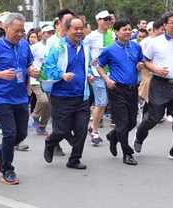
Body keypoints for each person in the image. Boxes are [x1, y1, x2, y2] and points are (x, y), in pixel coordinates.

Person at [0, 13, 39, 185]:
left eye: (22, 31)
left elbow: (27, 65)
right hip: (1, 97)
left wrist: (31, 71)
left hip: (20, 96)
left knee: (22, 133)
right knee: (10, 133)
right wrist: (0, 74)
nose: (20, 34)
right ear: (6, 27)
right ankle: (7, 169)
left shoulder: (24, 45)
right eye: (17, 31)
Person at [134, 12, 173, 161]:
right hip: (160, 84)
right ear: (165, 25)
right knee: (154, 117)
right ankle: (140, 135)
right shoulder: (155, 42)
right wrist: (156, 70)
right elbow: (145, 61)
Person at [43, 17, 94, 170]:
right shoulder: (58, 48)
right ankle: (50, 142)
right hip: (62, 97)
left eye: (81, 28)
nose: (79, 32)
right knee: (62, 130)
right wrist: (62, 75)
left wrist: (90, 74)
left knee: (81, 130)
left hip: (82, 97)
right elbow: (47, 69)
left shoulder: (85, 48)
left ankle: (74, 159)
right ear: (67, 30)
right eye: (75, 29)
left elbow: (88, 67)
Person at [96, 19, 144, 165]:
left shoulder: (136, 47)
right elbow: (98, 66)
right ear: (116, 32)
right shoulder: (110, 49)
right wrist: (106, 79)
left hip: (132, 89)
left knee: (131, 122)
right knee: (122, 123)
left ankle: (113, 135)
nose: (128, 32)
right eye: (124, 29)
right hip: (117, 89)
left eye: (129, 29)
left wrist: (140, 65)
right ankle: (127, 153)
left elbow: (141, 62)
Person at [84, 10, 115, 146]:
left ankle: (92, 127)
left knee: (104, 102)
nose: (107, 21)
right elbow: (83, 51)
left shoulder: (113, 35)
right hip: (96, 74)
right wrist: (90, 64)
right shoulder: (91, 36)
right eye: (104, 19)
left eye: (109, 19)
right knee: (101, 102)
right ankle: (95, 130)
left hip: (111, 74)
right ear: (98, 20)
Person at [30, 25, 55, 135]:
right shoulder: (35, 47)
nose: (49, 35)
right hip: (36, 79)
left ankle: (42, 126)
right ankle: (35, 116)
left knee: (49, 105)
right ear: (42, 34)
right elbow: (27, 62)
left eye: (51, 33)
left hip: (49, 80)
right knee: (43, 100)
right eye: (47, 33)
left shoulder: (55, 47)